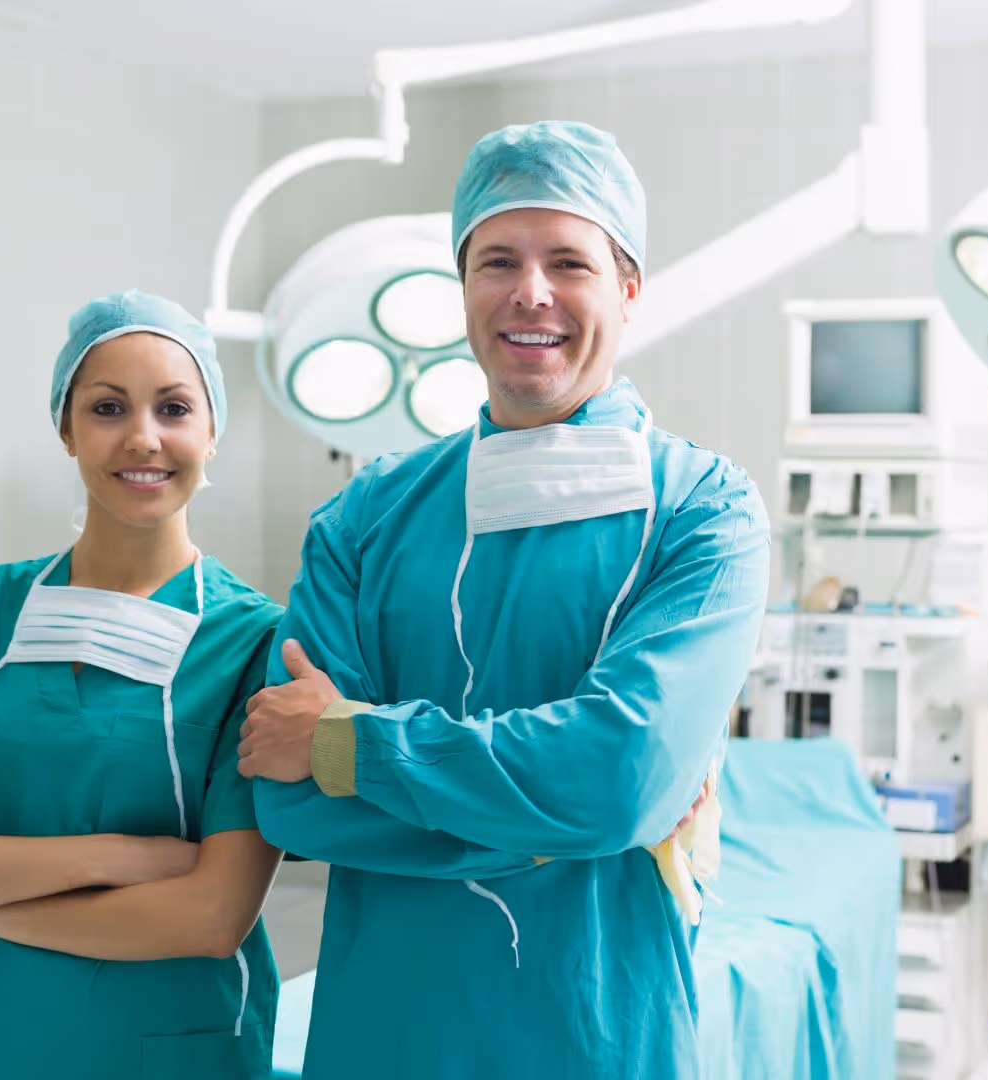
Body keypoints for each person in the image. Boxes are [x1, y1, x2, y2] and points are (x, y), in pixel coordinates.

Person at [238, 120, 769, 1079]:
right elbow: (292, 807)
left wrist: (346, 743)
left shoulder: (702, 508)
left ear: (630, 288)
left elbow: (618, 779)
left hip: (595, 1028)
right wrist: (558, 822)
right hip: (388, 1033)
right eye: (497, 261)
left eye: (569, 260)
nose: (532, 292)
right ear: (462, 288)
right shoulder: (366, 517)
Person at [0, 289, 286, 1080]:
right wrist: (117, 856)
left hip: (172, 1045)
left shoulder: (253, 642)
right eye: (108, 407)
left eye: (174, 408)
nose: (143, 436)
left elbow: (211, 914)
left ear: (213, 434)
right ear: (66, 429)